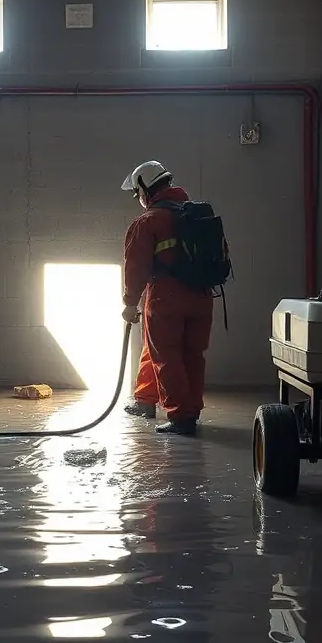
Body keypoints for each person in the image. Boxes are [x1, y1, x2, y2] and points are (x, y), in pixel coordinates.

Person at [120, 160, 214, 436]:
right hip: (202, 295)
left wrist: (129, 303)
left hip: (166, 296)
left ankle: (181, 417)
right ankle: (151, 401)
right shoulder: (197, 216)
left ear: (145, 190)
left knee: (166, 356)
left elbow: (136, 267)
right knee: (190, 355)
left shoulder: (148, 221)